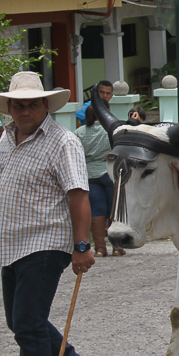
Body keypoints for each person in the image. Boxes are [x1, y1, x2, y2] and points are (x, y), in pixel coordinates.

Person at [0, 72, 109, 356]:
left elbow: (78, 195)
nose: (25, 111)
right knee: (21, 322)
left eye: (33, 104)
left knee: (29, 325)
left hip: (46, 242)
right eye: (18, 105)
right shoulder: (6, 138)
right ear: (10, 108)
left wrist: (82, 246)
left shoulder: (63, 142)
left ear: (46, 105)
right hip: (11, 242)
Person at [75, 106, 123, 257]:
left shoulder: (79, 133)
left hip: (89, 174)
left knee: (96, 211)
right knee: (113, 210)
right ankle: (116, 246)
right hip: (109, 172)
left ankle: (100, 248)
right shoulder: (109, 131)